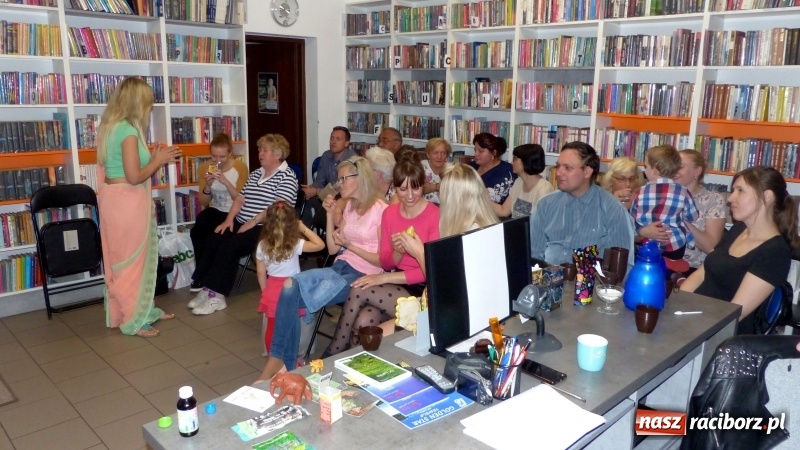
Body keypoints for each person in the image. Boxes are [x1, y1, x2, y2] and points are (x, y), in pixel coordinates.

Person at [257, 156, 387, 381]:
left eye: (344, 179)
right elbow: (333, 249)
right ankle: (281, 360)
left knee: (295, 297)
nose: (339, 184)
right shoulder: (350, 208)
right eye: (339, 180)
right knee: (290, 284)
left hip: (365, 276)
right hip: (341, 266)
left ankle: (280, 362)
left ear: (361, 178)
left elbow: (383, 261)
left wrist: (351, 246)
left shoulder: (381, 210)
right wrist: (329, 214)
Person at [323, 157, 440, 357]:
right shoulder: (390, 214)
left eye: (416, 188)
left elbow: (429, 273)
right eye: (403, 189)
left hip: (423, 292)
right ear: (395, 189)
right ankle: (350, 368)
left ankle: (331, 354)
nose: (410, 195)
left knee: (358, 289)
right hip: (395, 284)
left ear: (423, 186)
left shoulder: (434, 214)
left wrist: (382, 278)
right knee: (363, 321)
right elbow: (386, 262)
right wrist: (398, 252)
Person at [96, 77, 180, 338]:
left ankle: (141, 310)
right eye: (147, 101)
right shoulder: (129, 132)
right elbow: (134, 176)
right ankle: (133, 319)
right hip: (127, 202)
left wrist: (153, 159)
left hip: (114, 200)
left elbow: (118, 169)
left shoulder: (111, 127)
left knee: (123, 260)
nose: (150, 106)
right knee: (132, 263)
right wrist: (159, 161)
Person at [681, 166, 799, 334]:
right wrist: (677, 303)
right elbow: (701, 273)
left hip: (720, 334)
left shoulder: (774, 252)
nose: (731, 198)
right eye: (733, 190)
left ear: (767, 197)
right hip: (695, 316)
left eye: (740, 191)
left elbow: (734, 313)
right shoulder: (738, 230)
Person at [189, 134, 298, 314]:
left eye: (265, 150)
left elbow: (277, 208)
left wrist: (253, 221)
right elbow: (239, 199)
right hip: (243, 221)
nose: (260, 153)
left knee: (230, 246)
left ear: (278, 154)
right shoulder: (257, 173)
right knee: (215, 237)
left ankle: (217, 296)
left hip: (269, 227)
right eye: (260, 150)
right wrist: (229, 220)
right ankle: (208, 287)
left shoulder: (286, 177)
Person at [529, 141, 635, 267]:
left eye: (567, 168)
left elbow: (621, 266)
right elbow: (532, 255)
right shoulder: (545, 205)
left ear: (587, 172)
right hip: (547, 280)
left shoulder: (612, 209)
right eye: (558, 166)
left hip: (591, 283)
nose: (558, 173)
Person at [255, 200, 325, 355]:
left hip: (272, 290)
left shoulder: (262, 245)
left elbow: (261, 272)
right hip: (292, 288)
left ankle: (272, 357)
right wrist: (303, 228)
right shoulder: (295, 243)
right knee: (293, 327)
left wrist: (265, 291)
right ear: (292, 223)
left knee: (272, 327)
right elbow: (320, 245)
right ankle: (293, 357)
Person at [640, 150, 726, 273]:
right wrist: (645, 231)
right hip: (656, 260)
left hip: (695, 269)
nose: (674, 171)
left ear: (697, 171)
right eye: (673, 166)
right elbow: (636, 229)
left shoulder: (713, 199)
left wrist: (678, 216)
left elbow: (710, 247)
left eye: (680, 167)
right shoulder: (655, 192)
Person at [189, 133, 249, 292]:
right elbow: (204, 202)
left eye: (222, 156)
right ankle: (202, 272)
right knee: (199, 228)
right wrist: (207, 186)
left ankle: (201, 276)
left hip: (235, 212)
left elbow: (241, 199)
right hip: (216, 208)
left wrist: (225, 181)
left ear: (230, 153)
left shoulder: (240, 168)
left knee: (216, 236)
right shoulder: (204, 167)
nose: (218, 161)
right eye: (214, 156)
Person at [631, 145, 698, 260]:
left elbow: (633, 216)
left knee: (648, 263)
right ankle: (673, 273)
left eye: (646, 166)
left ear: (655, 169)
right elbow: (692, 216)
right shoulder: (683, 191)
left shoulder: (640, 191)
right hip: (674, 244)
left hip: (648, 243)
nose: (644, 170)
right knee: (671, 263)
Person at [300, 126, 356, 228]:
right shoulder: (326, 155)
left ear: (347, 143)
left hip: (345, 198)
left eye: (338, 139)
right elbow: (320, 181)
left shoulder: (352, 160)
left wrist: (317, 191)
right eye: (332, 138)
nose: (333, 142)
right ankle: (305, 236)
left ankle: (327, 239)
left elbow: (340, 187)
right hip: (327, 195)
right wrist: (312, 189)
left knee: (325, 208)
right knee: (304, 200)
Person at [492, 143, 553, 218]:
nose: (511, 162)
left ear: (526, 161)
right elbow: (504, 211)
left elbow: (541, 222)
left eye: (515, 159)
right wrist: (481, 198)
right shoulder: (518, 182)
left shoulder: (544, 188)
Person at [469, 132, 516, 204]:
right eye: (475, 150)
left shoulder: (507, 172)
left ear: (494, 153)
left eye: (481, 151)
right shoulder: (471, 166)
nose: (475, 154)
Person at [421, 137, 451, 204]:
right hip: (423, 209)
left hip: (446, 210)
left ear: (447, 155)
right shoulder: (420, 168)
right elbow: (410, 191)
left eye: (443, 153)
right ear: (428, 154)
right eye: (435, 153)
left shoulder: (452, 170)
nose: (439, 157)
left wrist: (432, 187)